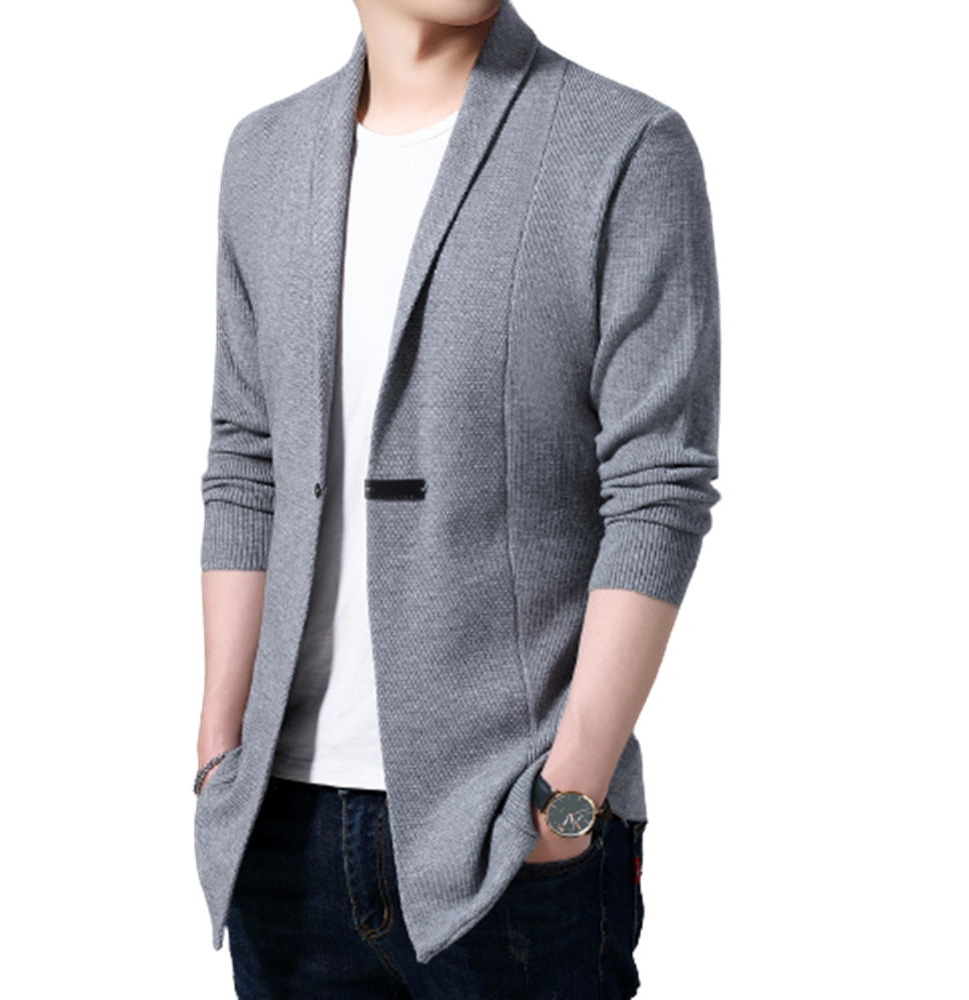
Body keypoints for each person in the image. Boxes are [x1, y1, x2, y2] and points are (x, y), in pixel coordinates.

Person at [195, 0, 721, 996]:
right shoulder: (262, 152)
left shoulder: (624, 142)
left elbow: (661, 485)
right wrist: (218, 745)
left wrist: (572, 794)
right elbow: (245, 460)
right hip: (275, 825)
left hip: (512, 832)